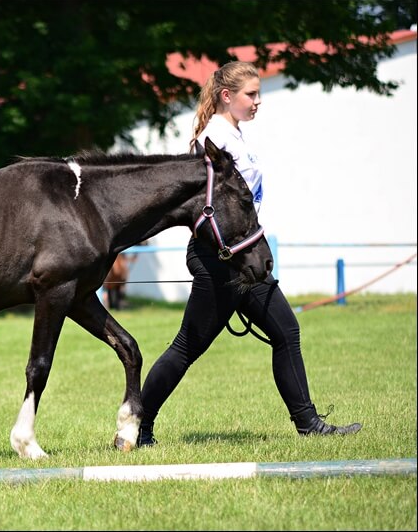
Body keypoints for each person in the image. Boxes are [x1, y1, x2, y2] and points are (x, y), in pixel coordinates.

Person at [136, 61, 361, 447]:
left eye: (258, 94)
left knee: (286, 330)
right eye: (251, 94)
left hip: (245, 257)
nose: (258, 101)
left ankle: (309, 424)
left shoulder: (234, 137)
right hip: (221, 260)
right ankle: (138, 426)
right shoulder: (215, 141)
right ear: (228, 96)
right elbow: (205, 211)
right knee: (187, 347)